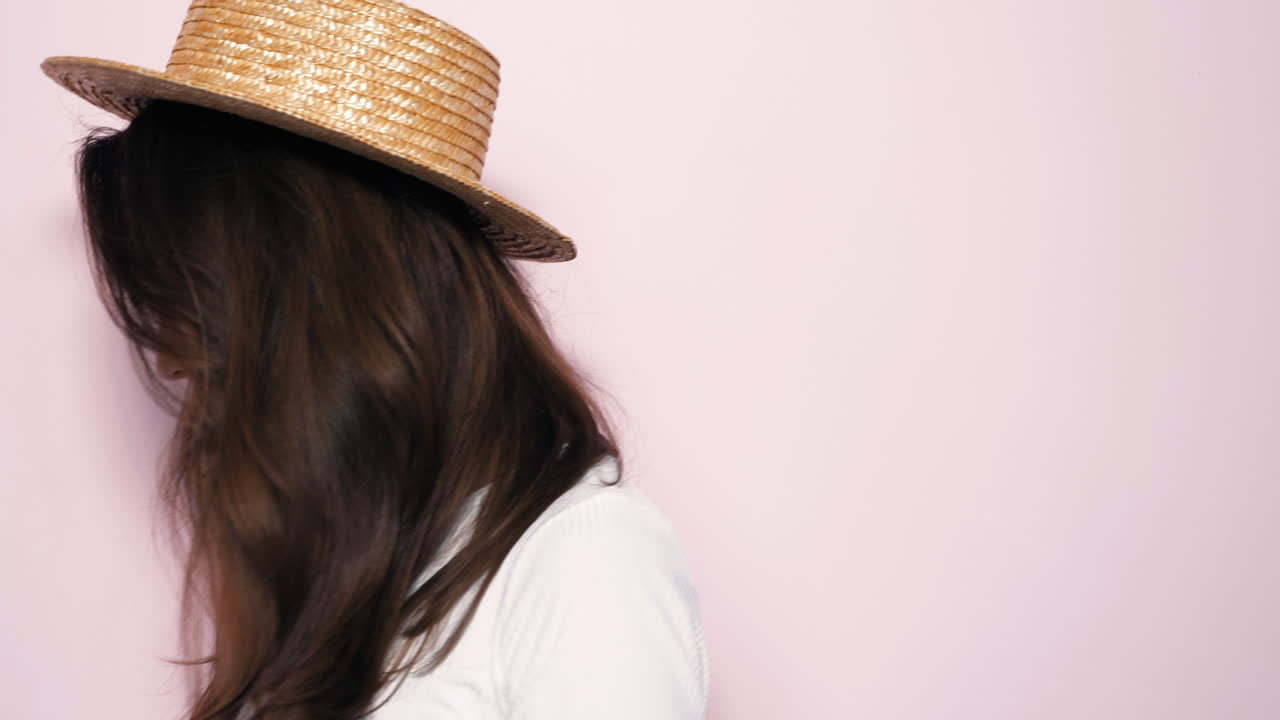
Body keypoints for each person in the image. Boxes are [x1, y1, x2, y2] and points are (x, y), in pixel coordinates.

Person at [40, 2, 709, 718]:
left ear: (314, 288)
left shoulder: (583, 561)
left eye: (191, 300)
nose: (173, 363)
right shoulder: (345, 562)